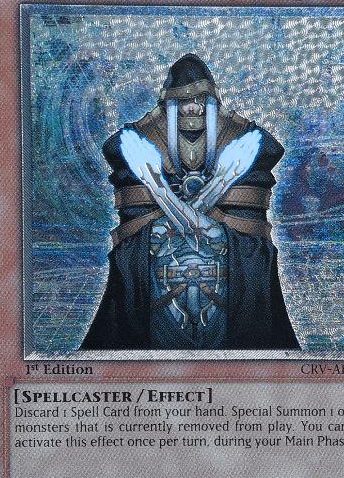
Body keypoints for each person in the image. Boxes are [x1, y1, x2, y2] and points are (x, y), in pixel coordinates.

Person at [80, 54, 300, 351]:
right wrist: (204, 190)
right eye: (184, 100)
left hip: (222, 261)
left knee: (247, 264)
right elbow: (135, 221)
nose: (193, 107)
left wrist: (162, 191)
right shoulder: (141, 136)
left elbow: (249, 223)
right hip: (162, 259)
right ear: (169, 103)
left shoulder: (241, 136)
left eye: (199, 99)